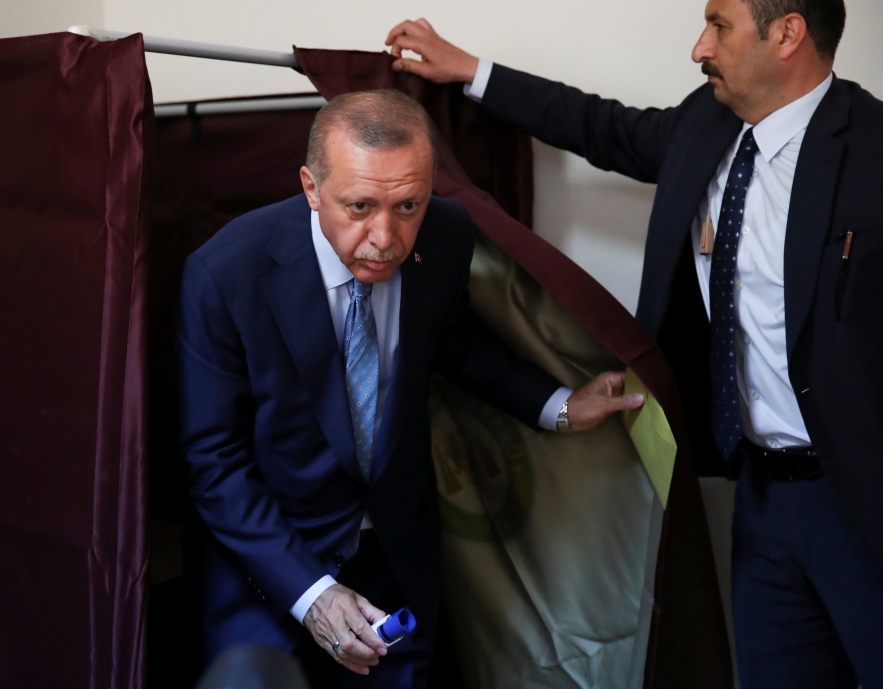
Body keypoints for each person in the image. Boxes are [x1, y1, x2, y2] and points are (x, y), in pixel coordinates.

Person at [385, 2, 883, 688]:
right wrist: (472, 71)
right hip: (760, 499)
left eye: (720, 26)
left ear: (788, 34)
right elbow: (599, 125)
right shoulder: (707, 125)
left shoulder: (874, 151)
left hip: (862, 498)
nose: (699, 48)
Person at [178, 89, 644, 688]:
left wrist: (558, 405)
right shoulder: (224, 273)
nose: (385, 237)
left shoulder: (446, 235)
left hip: (394, 557)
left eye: (408, 206)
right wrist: (313, 593)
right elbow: (213, 463)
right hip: (267, 571)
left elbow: (455, 343)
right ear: (311, 187)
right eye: (360, 206)